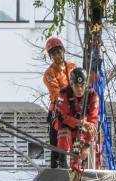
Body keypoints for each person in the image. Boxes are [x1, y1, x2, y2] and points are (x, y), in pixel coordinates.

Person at [52, 67, 100, 171]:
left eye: (82, 85)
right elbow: (63, 117)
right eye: (76, 86)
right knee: (64, 131)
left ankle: (76, 164)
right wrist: (80, 123)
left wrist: (87, 145)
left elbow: (93, 121)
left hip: (81, 131)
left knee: (79, 151)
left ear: (86, 84)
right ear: (71, 84)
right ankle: (63, 161)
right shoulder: (64, 93)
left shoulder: (92, 96)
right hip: (67, 126)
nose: (79, 89)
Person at [42, 36, 76, 169]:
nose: (58, 55)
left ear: (63, 51)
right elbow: (57, 93)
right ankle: (59, 164)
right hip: (58, 109)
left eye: (59, 51)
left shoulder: (72, 67)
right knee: (55, 143)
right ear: (51, 56)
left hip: (74, 108)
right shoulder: (49, 74)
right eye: (54, 53)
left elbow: (80, 84)